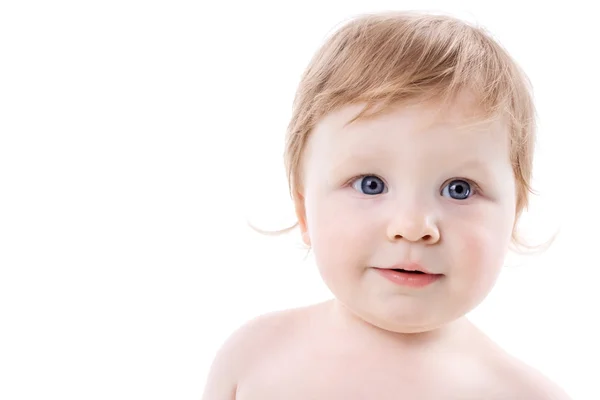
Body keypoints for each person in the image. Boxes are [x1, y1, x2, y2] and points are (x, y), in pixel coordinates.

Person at [202, 11, 571, 399]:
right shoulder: (253, 358)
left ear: (514, 216)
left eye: (459, 188)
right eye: (370, 184)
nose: (412, 226)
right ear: (303, 209)